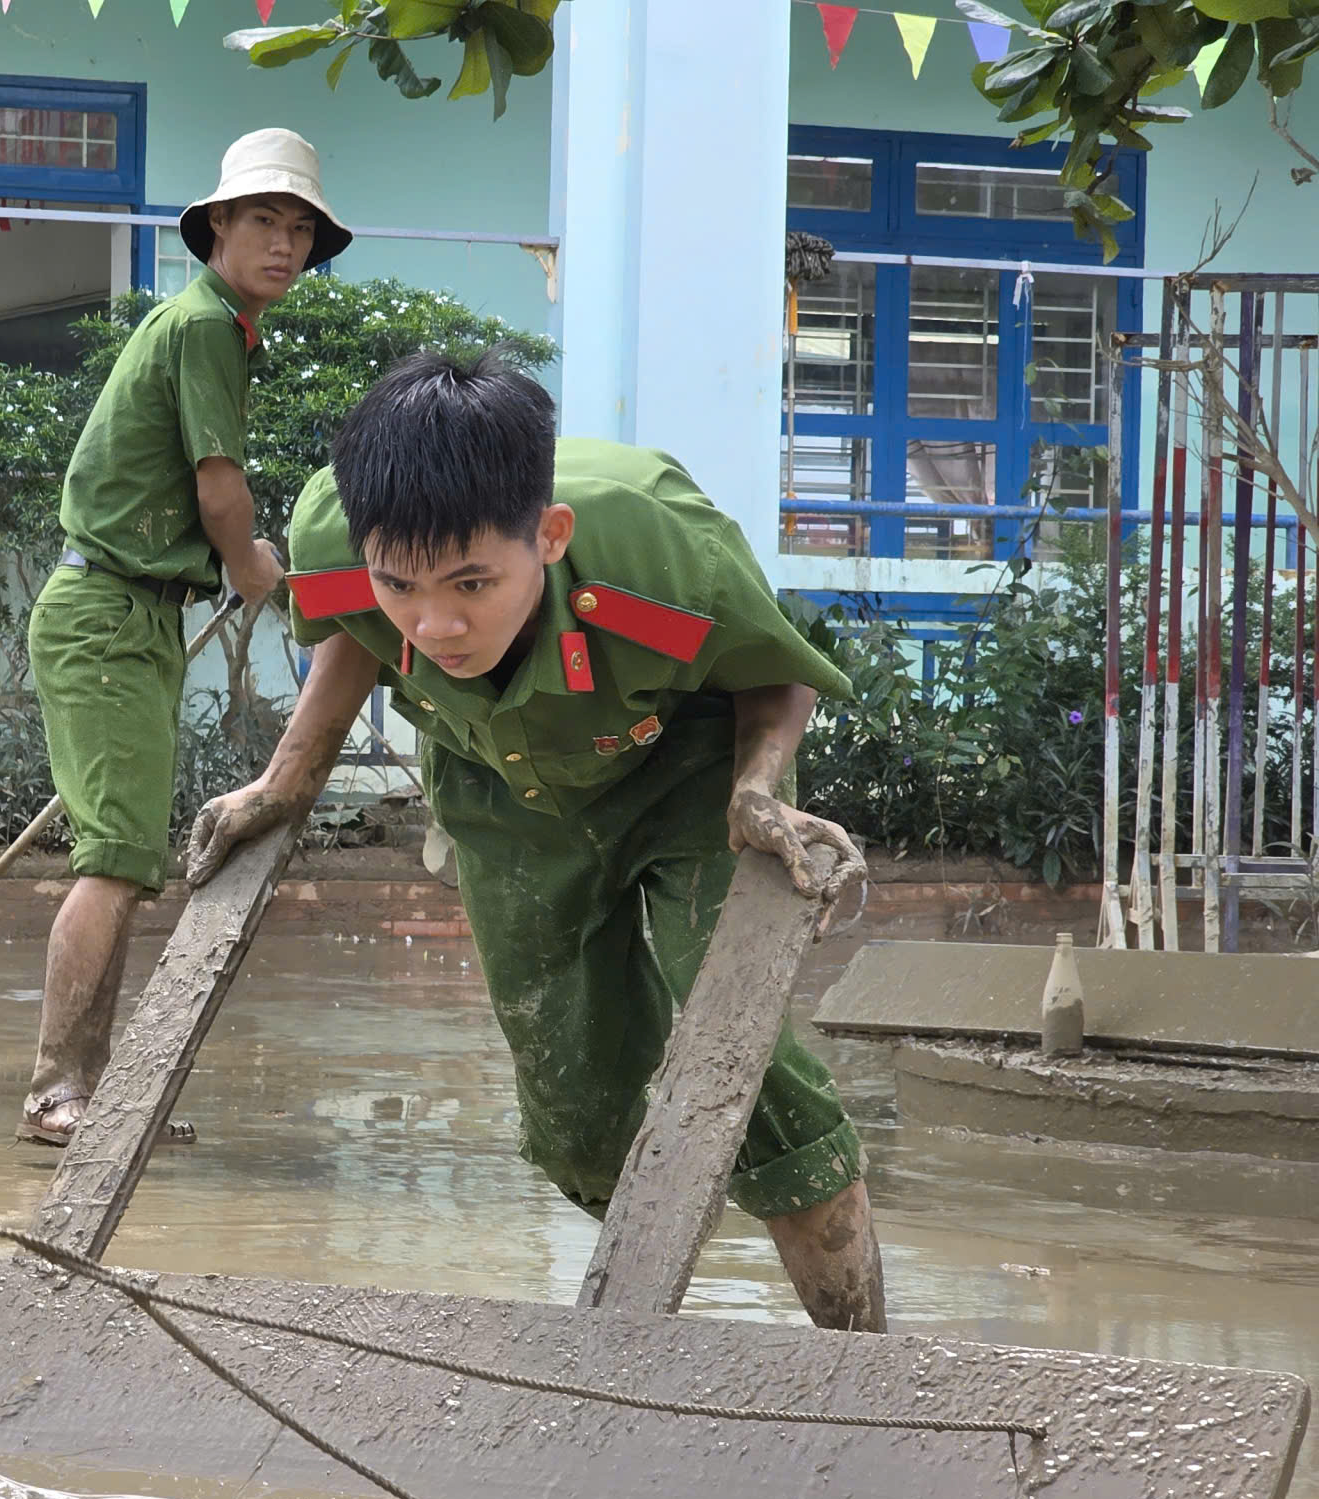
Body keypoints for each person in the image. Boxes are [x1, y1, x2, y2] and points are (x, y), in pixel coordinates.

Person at [187, 352, 886, 1330]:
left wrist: (759, 790)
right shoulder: (332, 534)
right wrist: (285, 782)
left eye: (471, 583)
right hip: (501, 786)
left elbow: (771, 672)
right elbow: (351, 629)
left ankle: (857, 1354)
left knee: (734, 1042)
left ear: (548, 536)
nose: (434, 624)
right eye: (403, 584)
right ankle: (641, 1329)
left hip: (688, 771)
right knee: (572, 1088)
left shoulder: (653, 546)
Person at [16, 128, 349, 1148]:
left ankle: (93, 1090)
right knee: (114, 861)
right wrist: (255, 569)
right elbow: (218, 489)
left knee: (120, 852)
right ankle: (56, 1093)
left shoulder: (210, 322)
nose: (282, 245)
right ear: (216, 227)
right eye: (263, 222)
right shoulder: (206, 325)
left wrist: (234, 562)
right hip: (109, 613)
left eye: (298, 229)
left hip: (129, 609)